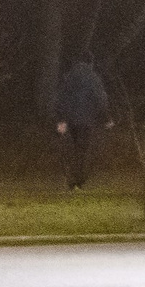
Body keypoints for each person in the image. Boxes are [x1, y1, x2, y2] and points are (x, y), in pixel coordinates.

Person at [55, 58, 108, 191]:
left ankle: (71, 178)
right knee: (82, 150)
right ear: (91, 63)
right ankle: (79, 180)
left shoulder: (69, 78)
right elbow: (101, 99)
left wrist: (61, 120)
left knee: (72, 149)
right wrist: (106, 118)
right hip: (87, 121)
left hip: (71, 120)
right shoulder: (94, 79)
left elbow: (61, 99)